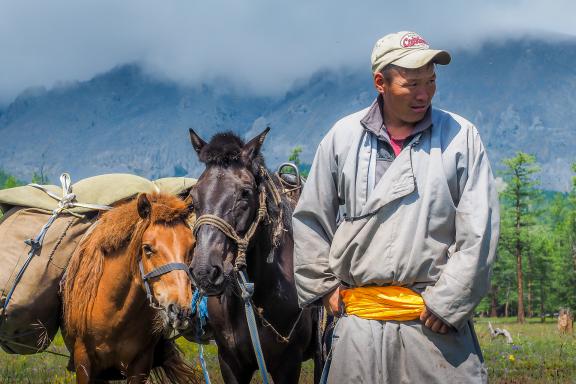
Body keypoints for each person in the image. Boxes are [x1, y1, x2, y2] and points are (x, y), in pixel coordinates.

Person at [292, 31, 500, 383]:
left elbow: (479, 230)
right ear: (380, 83)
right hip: (358, 329)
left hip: (433, 327)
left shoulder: (461, 137)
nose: (425, 94)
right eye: (412, 83)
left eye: (431, 81)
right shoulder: (342, 138)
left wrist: (448, 302)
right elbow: (311, 218)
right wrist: (325, 288)